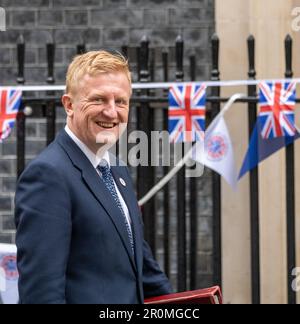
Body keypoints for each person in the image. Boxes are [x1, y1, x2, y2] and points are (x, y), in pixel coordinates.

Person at [15, 50, 172, 304]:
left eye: (120, 101)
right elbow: (41, 295)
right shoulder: (48, 176)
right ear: (69, 105)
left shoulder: (117, 171)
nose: (111, 112)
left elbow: (144, 272)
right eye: (99, 99)